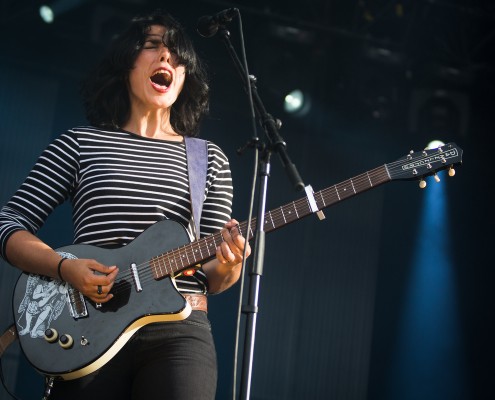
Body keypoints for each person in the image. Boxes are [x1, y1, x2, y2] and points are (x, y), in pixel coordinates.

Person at [0, 9, 250, 400]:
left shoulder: (208, 159)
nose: (166, 57)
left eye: (176, 54)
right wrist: (65, 268)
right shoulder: (81, 143)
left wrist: (232, 264)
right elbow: (9, 221)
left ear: (185, 77)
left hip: (179, 332)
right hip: (89, 331)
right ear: (125, 63)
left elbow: (215, 276)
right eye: (152, 46)